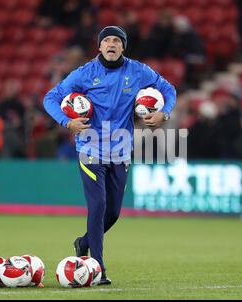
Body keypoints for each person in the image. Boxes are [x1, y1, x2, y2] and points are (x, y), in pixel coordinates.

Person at [43, 26, 176, 285]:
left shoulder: (138, 71)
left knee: (113, 212)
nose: (112, 44)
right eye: (107, 40)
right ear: (100, 46)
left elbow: (168, 89)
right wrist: (66, 122)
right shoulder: (84, 73)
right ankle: (98, 268)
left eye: (117, 40)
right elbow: (51, 98)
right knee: (99, 206)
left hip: (121, 151)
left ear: (123, 46)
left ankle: (83, 243)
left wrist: (164, 113)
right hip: (90, 149)